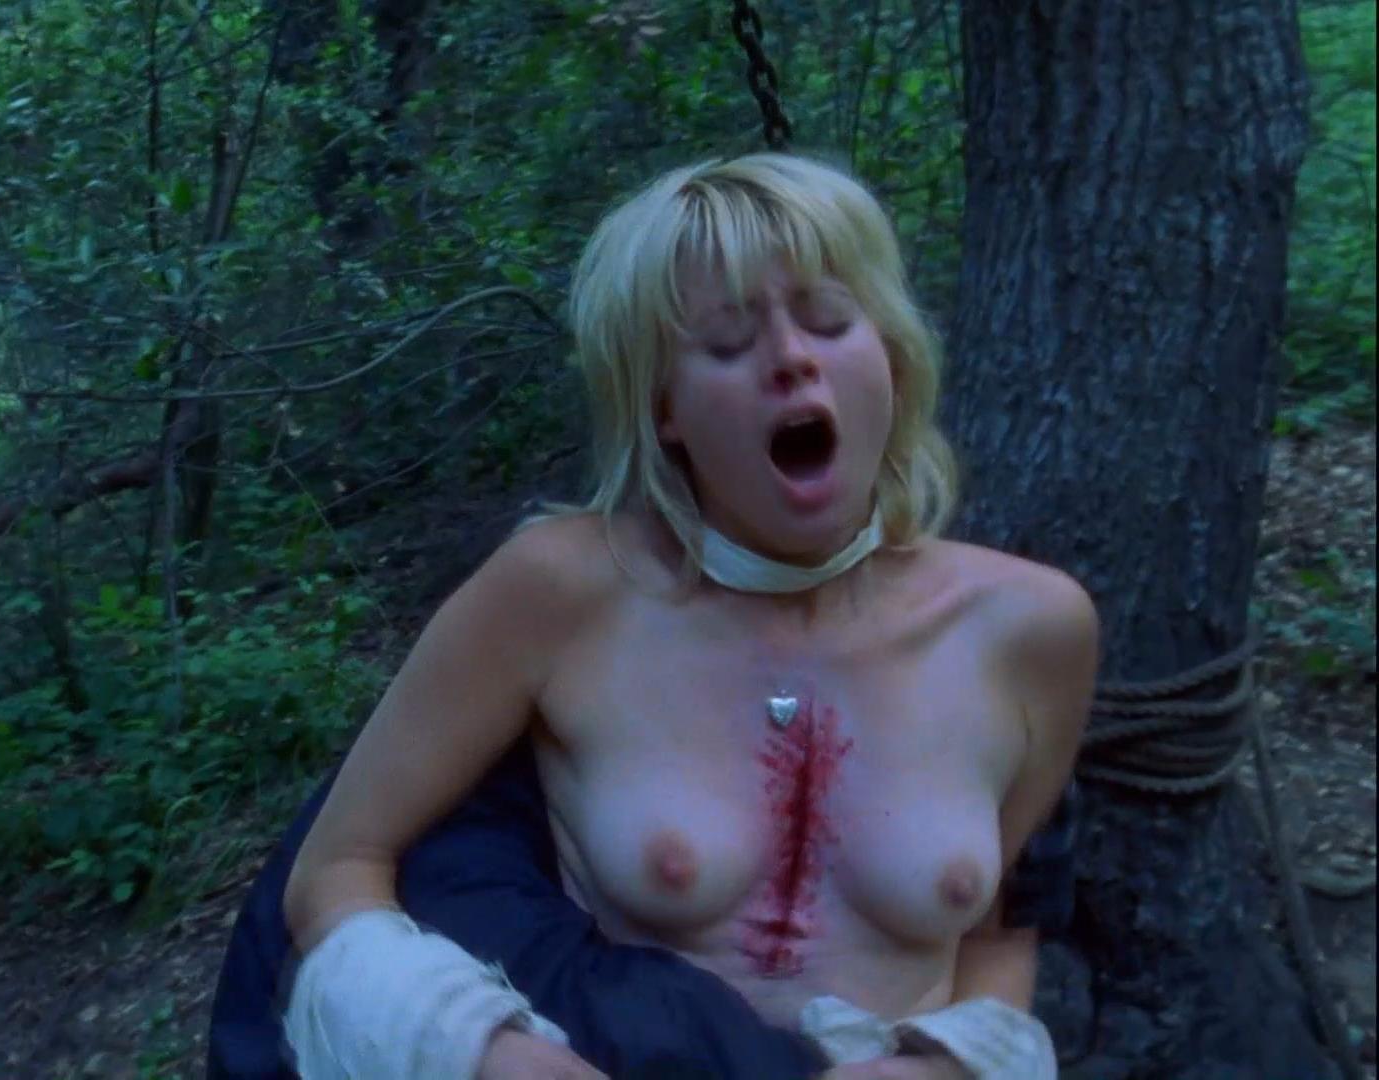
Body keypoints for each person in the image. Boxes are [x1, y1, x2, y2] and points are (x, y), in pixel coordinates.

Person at [226, 152, 1096, 1079]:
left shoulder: (1033, 630)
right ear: (665, 407)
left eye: (830, 320)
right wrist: (480, 1047)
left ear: (890, 354)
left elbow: (1000, 932)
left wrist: (948, 1066)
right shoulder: (559, 592)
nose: (792, 359)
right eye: (726, 343)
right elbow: (334, 870)